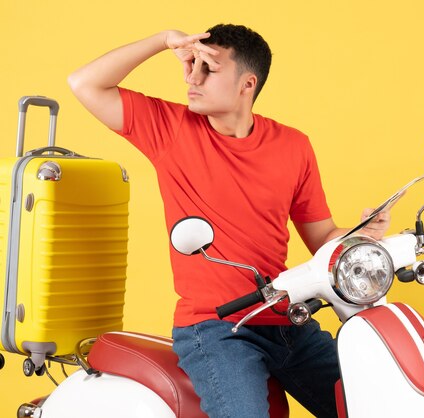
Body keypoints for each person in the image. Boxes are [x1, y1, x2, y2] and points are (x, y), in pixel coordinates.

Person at [68, 24, 391, 418]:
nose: (192, 77)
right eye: (191, 65)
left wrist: (362, 235)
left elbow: (323, 236)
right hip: (216, 329)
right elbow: (84, 83)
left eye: (209, 69)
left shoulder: (293, 145)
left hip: (287, 316)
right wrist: (162, 41)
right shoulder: (170, 129)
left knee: (374, 402)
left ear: (247, 84)